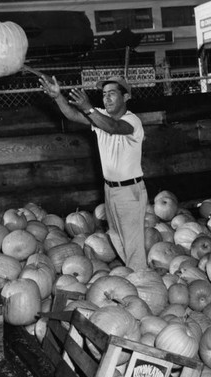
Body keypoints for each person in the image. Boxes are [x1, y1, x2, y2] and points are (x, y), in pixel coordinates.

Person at [39, 75, 148, 271]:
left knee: (133, 244)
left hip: (130, 191)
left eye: (112, 93)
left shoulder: (132, 121)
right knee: (116, 237)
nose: (107, 98)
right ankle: (134, 274)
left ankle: (141, 282)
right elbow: (72, 115)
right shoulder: (99, 116)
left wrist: (88, 108)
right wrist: (58, 97)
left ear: (126, 97)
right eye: (104, 94)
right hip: (110, 190)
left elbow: (113, 127)